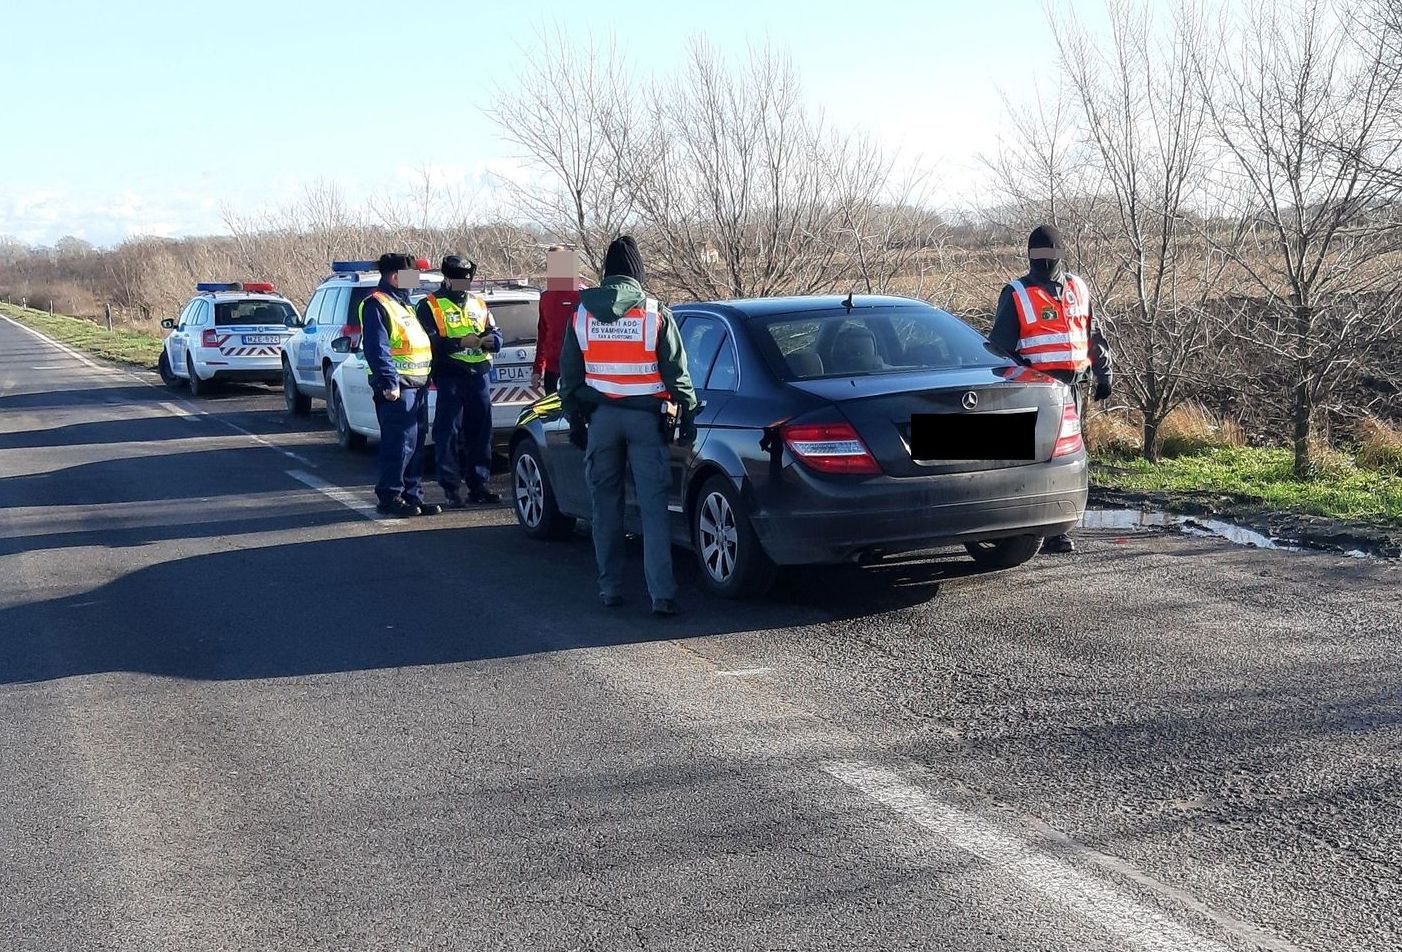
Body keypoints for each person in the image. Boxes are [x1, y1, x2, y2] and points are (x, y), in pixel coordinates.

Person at [558, 236, 697, 616]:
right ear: (637, 272)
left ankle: (610, 589)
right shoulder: (655, 312)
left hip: (601, 421)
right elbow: (676, 373)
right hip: (645, 422)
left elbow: (569, 378)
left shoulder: (582, 314)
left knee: (605, 508)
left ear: (606, 272)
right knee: (653, 510)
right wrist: (688, 413)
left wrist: (575, 420)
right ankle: (662, 595)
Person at [990, 224, 1113, 554]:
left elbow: (1092, 335)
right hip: (1038, 391)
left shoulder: (1077, 288)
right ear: (1030, 256)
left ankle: (1056, 528)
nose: (1044, 262)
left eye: (1049, 254)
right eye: (1039, 256)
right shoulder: (1016, 293)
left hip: (1073, 388)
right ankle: (1025, 527)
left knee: (1066, 457)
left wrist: (1104, 373)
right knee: (1039, 459)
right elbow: (1000, 349)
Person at [416, 254, 503, 507]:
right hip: (450, 374)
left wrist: (492, 341)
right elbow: (428, 341)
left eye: (467, 279)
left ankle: (479, 485)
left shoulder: (478, 303)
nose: (464, 285)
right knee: (448, 433)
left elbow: (495, 332)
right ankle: (451, 487)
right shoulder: (429, 305)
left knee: (481, 432)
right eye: (459, 280)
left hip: (479, 374)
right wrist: (458, 342)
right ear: (447, 279)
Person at [360, 252, 441, 518]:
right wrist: (388, 382)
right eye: (410, 277)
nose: (413, 282)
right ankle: (390, 496)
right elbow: (377, 348)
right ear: (395, 277)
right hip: (397, 388)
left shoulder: (405, 304)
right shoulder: (377, 304)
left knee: (416, 444)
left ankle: (412, 497)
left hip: (416, 386)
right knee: (399, 445)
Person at [532, 245, 582, 395]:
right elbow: (543, 334)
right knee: (553, 417)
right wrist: (537, 368)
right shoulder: (546, 297)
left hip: (577, 372)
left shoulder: (582, 295)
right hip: (552, 372)